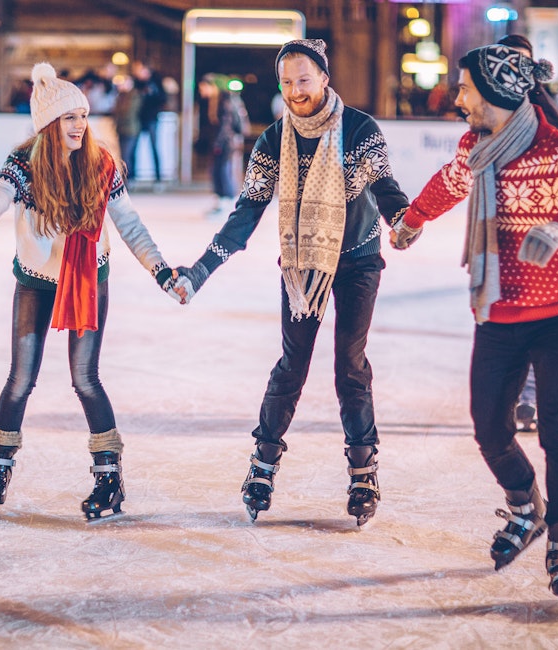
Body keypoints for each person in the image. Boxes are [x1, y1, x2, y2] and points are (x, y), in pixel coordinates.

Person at [391, 45, 558, 611]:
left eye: (464, 87)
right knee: (490, 430)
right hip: (498, 313)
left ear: (492, 92)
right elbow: (447, 184)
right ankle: (526, 507)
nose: (458, 97)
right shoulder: (476, 148)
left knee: (557, 432)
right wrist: (411, 220)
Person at [175, 39, 411, 527]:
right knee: (292, 363)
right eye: (286, 82)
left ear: (325, 78)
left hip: (359, 260)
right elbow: (246, 212)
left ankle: (363, 469)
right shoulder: (273, 140)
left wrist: (405, 220)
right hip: (302, 267)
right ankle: (263, 463)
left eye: (304, 79)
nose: (295, 90)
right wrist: (199, 270)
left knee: (350, 364)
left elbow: (387, 190)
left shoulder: (360, 130)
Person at [0, 62, 186, 521]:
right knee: (20, 379)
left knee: (85, 379)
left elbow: (130, 226)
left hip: (87, 281)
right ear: (48, 124)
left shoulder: (102, 167)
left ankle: (109, 478)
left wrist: (161, 270)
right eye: (69, 117)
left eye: (82, 116)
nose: (80, 125)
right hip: (36, 282)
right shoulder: (23, 165)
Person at [497, 33, 558, 432]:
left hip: (543, 225)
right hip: (502, 229)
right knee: (504, 318)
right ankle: (512, 394)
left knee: (539, 315)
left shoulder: (546, 108)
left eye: (523, 61)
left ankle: (530, 398)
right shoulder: (490, 107)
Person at [196, 73, 250, 216]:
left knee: (222, 171)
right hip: (221, 142)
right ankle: (220, 201)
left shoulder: (224, 100)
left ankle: (226, 202)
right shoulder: (214, 101)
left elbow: (225, 125)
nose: (202, 91)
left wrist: (218, 144)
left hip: (225, 143)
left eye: (203, 88)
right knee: (217, 171)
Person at [131, 61, 167, 184]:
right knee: (133, 149)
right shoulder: (135, 83)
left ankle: (158, 178)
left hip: (151, 119)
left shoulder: (156, 82)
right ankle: (131, 177)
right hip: (137, 120)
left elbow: (163, 98)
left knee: (155, 148)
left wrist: (151, 95)